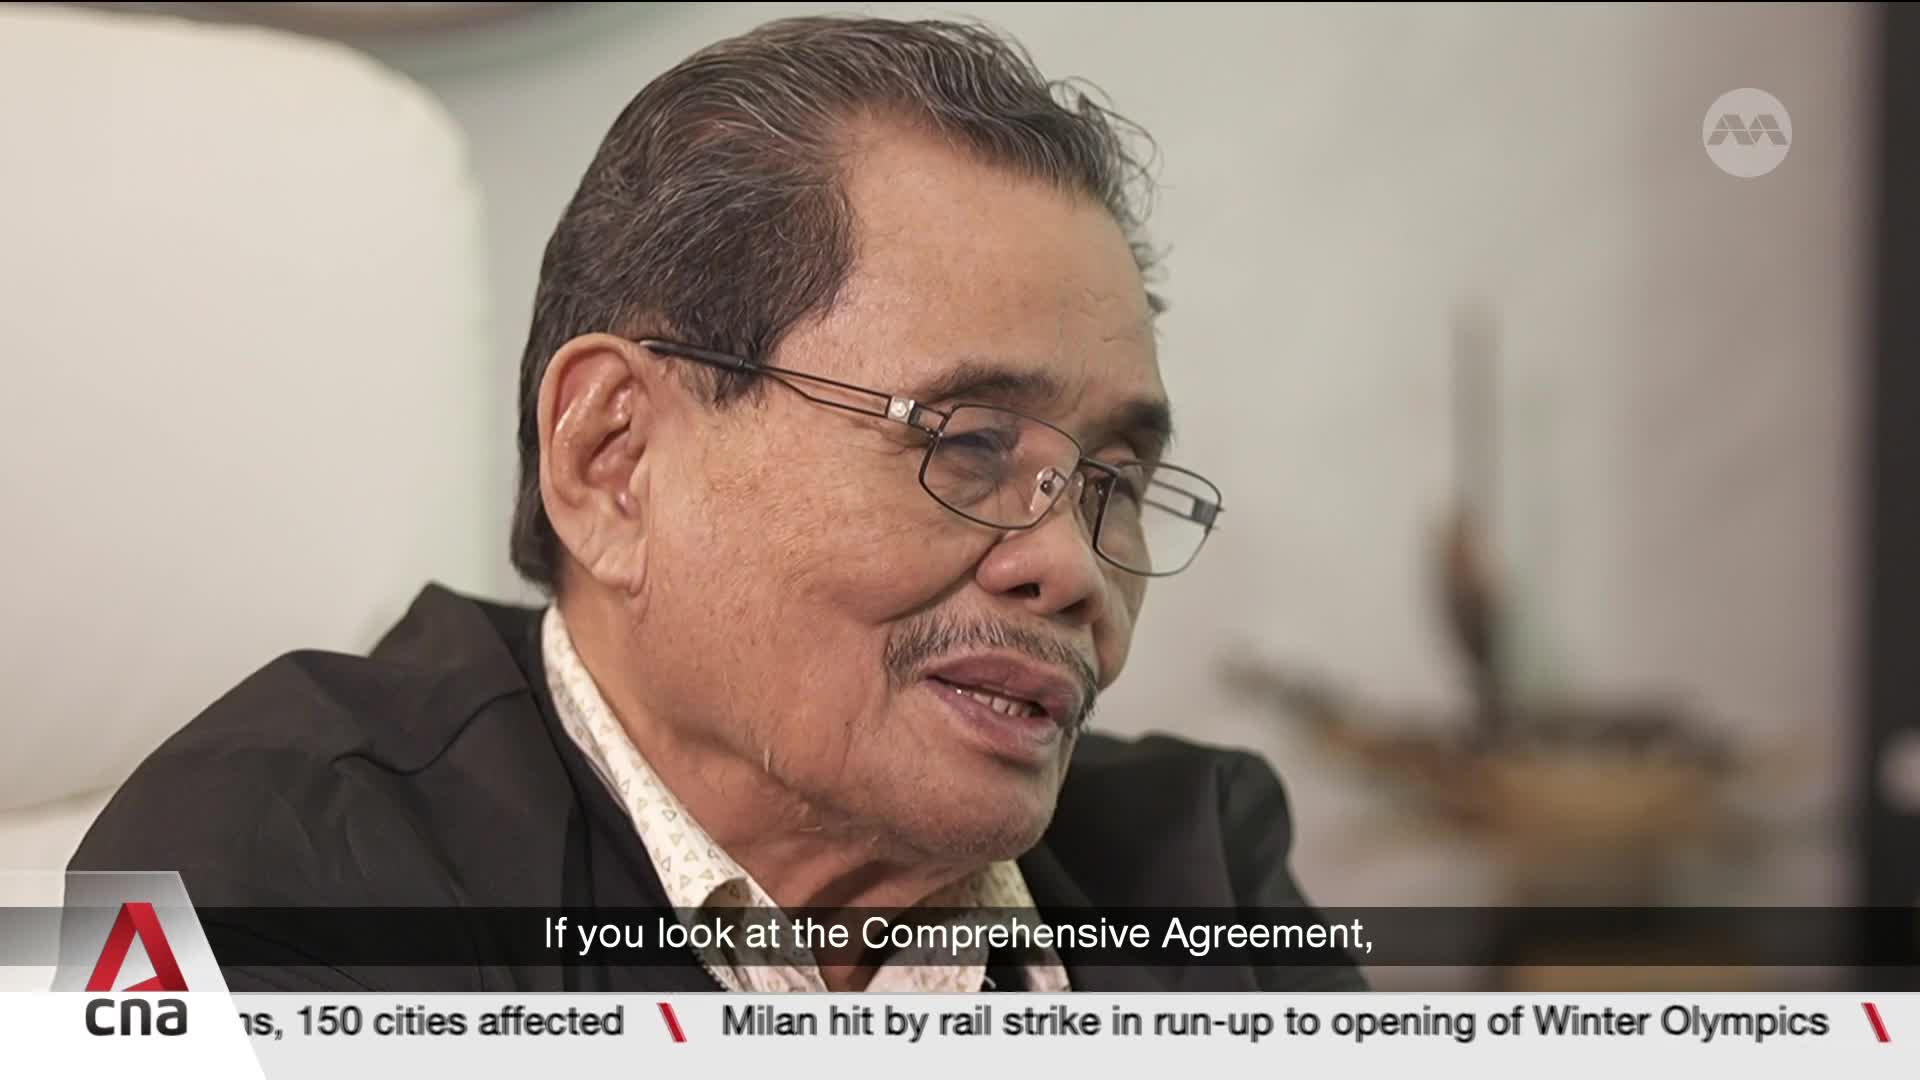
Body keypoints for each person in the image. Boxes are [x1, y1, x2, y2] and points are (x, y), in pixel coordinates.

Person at [72, 14, 1362, 993]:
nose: (1073, 567)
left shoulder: (1200, 871)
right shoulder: (269, 866)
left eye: (1116, 485)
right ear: (614, 462)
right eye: (968, 444)